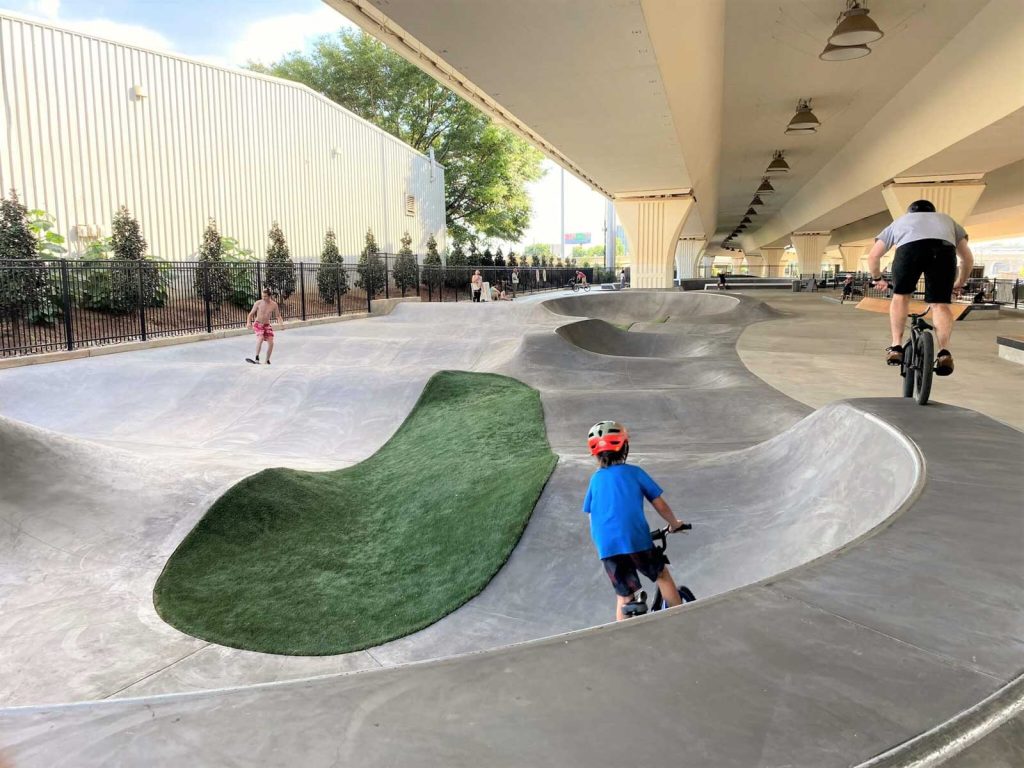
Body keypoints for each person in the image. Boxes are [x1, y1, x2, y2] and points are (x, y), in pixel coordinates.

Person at [583, 420, 689, 622]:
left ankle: (621, 639)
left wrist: (602, 541)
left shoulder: (595, 480)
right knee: (661, 576)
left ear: (595, 453)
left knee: (624, 594)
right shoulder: (635, 473)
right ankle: (680, 621)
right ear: (625, 447)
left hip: (606, 545)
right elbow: (659, 504)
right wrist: (675, 524)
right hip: (635, 539)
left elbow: (591, 515)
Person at [867, 199, 973, 376]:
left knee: (900, 296)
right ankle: (944, 353)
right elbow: (967, 259)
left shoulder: (900, 221)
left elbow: (873, 257)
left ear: (910, 212)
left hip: (909, 251)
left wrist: (878, 278)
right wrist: (960, 282)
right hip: (943, 252)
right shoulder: (947, 220)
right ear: (933, 212)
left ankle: (896, 347)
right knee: (940, 304)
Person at [246, 288, 283, 365]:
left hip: (266, 325)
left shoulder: (274, 305)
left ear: (269, 296)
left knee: (271, 342)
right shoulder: (258, 303)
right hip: (258, 324)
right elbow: (250, 314)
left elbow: (278, 316)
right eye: (262, 296)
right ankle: (257, 358)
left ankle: (267, 360)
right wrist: (248, 323)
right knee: (261, 338)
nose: (263, 298)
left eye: (265, 296)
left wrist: (281, 324)